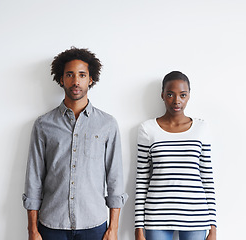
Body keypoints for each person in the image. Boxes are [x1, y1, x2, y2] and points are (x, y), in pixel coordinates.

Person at [23, 47, 128, 240]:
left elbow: (115, 178)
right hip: (51, 224)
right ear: (61, 79)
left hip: (94, 225)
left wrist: (113, 228)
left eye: (82, 75)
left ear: (91, 79)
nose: (76, 81)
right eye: (70, 75)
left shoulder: (107, 124)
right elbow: (34, 179)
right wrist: (32, 229)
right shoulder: (43, 124)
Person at [134, 71, 217, 240]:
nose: (176, 100)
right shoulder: (147, 129)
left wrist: (213, 227)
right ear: (162, 95)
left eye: (182, 95)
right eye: (170, 94)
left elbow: (207, 177)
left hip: (196, 216)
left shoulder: (201, 128)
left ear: (188, 96)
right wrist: (138, 227)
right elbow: (142, 180)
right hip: (157, 217)